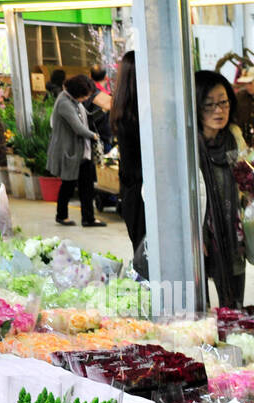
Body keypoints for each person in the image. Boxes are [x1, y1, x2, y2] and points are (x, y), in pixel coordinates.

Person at [194, 70, 247, 307]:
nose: (219, 111)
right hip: (201, 237)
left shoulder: (234, 136)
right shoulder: (188, 143)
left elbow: (246, 179)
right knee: (199, 307)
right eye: (209, 105)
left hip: (232, 234)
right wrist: (194, 232)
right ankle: (206, 346)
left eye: (223, 102)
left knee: (234, 305)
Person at [48, 74, 105, 227]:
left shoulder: (73, 101)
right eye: (84, 95)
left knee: (86, 186)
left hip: (81, 151)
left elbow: (87, 118)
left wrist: (104, 111)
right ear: (76, 92)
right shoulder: (64, 102)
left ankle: (88, 218)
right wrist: (93, 136)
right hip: (70, 151)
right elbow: (78, 127)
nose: (86, 98)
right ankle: (61, 215)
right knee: (68, 184)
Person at [111, 51, 145, 258]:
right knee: (148, 256)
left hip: (132, 192)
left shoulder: (122, 109)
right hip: (140, 194)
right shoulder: (138, 115)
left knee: (143, 252)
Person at [85, 65, 113, 153]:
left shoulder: (84, 93)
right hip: (101, 140)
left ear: (89, 76)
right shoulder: (104, 97)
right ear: (106, 77)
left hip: (87, 139)